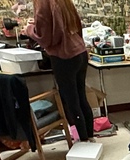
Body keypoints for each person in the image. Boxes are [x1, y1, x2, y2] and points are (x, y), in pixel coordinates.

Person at [25, 0, 94, 143]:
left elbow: (46, 38)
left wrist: (29, 29)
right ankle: (89, 136)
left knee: (70, 101)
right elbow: (69, 23)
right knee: (81, 96)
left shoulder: (41, 2)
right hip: (79, 50)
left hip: (64, 55)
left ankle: (84, 141)